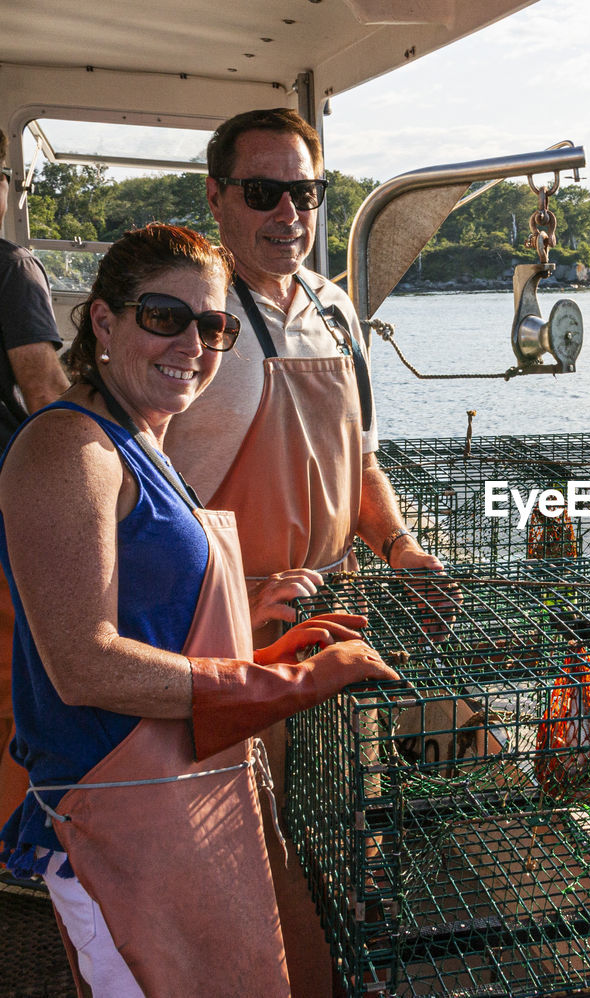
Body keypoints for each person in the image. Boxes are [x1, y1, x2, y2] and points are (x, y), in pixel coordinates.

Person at [0, 223, 398, 996]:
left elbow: (147, 619)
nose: (194, 342)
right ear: (104, 323)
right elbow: (85, 665)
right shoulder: (68, 452)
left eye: (215, 325)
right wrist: (288, 688)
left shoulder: (142, 440)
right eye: (163, 316)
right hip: (112, 820)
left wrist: (265, 641)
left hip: (175, 803)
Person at [163, 106, 451, 997]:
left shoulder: (334, 309)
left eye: (307, 191)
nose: (289, 212)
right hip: (231, 630)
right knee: (246, 844)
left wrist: (400, 545)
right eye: (263, 191)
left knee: (340, 828)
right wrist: (228, 600)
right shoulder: (192, 324)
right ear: (218, 198)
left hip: (334, 612)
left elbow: (358, 454)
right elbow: (140, 486)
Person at [0, 130, 72, 826]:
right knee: (11, 685)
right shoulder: (11, 266)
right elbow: (45, 391)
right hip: (3, 509)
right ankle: (14, 842)